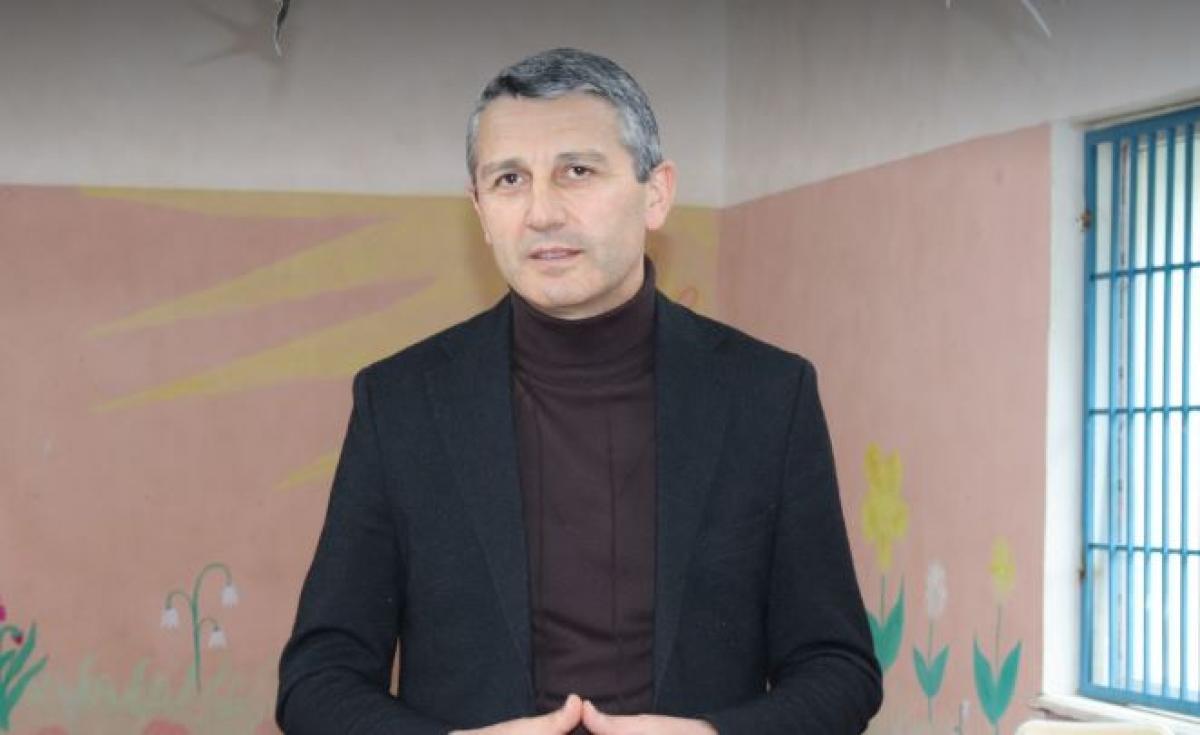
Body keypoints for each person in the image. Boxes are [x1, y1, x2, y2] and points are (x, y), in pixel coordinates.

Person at [276, 48, 882, 735]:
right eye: (509, 179)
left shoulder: (768, 394)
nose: (541, 212)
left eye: (577, 171)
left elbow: (837, 668)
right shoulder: (402, 402)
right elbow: (316, 679)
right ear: (480, 210)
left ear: (656, 193)